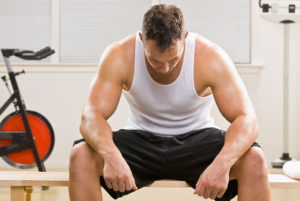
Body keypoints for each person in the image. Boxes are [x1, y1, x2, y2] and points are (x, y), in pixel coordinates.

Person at [68, 4, 271, 201]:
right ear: (142, 39)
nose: (164, 69)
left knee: (255, 159)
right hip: (142, 140)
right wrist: (112, 157)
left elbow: (247, 120)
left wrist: (222, 164)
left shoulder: (211, 57)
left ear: (185, 38)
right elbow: (91, 117)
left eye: (173, 60)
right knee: (80, 156)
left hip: (197, 140)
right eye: (155, 61)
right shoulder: (119, 55)